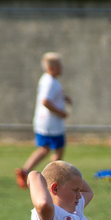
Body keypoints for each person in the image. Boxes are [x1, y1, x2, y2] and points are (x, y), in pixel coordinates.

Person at [16, 53, 71, 190]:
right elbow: (45, 101)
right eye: (59, 65)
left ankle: (25, 171)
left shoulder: (47, 79)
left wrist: (63, 98)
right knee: (58, 150)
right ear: (52, 67)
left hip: (43, 122)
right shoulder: (50, 81)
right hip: (51, 123)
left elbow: (51, 96)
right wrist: (61, 112)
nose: (62, 68)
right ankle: (55, 179)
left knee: (44, 149)